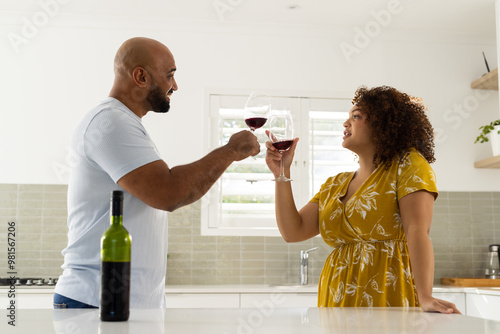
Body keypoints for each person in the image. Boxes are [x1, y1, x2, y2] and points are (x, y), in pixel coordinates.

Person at [54, 37, 260, 309]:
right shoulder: (110, 121)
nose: (175, 86)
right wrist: (232, 150)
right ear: (140, 76)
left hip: (120, 303)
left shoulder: (124, 123)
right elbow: (168, 193)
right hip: (97, 302)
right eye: (170, 75)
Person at [265, 85, 460, 313]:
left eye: (356, 116)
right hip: (337, 297)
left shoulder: (408, 165)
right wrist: (281, 172)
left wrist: (425, 296)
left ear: (383, 125)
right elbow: (293, 232)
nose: (346, 123)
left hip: (388, 291)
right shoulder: (334, 184)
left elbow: (418, 231)